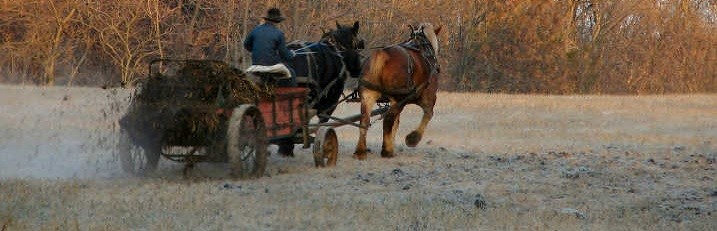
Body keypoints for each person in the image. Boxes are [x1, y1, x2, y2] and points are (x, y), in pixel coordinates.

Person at [243, 8, 297, 87]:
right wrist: (292, 54)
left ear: (266, 19)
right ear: (277, 21)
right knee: (292, 72)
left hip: (256, 63)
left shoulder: (255, 30)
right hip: (270, 64)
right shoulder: (279, 33)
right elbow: (284, 54)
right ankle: (291, 96)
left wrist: (255, 50)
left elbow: (246, 44)